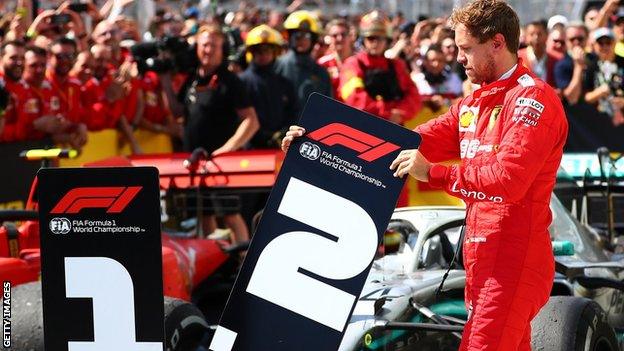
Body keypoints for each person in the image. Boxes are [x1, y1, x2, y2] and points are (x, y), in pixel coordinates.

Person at [284, 1, 568, 350]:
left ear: (497, 43)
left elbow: (508, 180)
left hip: (515, 261)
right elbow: (400, 144)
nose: (459, 58)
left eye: (466, 49)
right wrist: (318, 142)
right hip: (482, 258)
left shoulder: (532, 98)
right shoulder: (473, 104)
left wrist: (433, 173)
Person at [178, 24, 259, 245]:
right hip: (195, 162)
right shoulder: (192, 79)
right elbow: (177, 112)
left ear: (222, 49)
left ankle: (243, 262)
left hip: (220, 163)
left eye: (214, 46)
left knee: (230, 214)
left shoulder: (230, 81)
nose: (208, 50)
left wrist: (229, 148)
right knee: (205, 214)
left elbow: (251, 120)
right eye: (204, 45)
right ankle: (215, 263)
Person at [339, 10, 421, 125]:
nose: (375, 43)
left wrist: (400, 113)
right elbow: (354, 98)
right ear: (363, 40)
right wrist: (387, 114)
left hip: (394, 127)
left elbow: (414, 96)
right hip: (361, 127)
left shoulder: (397, 65)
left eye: (380, 38)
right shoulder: (353, 64)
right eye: (371, 38)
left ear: (387, 40)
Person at [239, 24, 297, 149]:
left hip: (280, 147)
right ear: (252, 53)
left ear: (274, 52)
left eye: (267, 50)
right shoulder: (241, 82)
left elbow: (293, 113)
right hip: (250, 148)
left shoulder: (284, 83)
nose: (263, 54)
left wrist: (283, 132)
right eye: (258, 50)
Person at [274, 10, 332, 112]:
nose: (301, 40)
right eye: (297, 35)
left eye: (307, 36)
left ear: (313, 39)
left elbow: (328, 110)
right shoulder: (276, 67)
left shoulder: (321, 73)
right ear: (290, 37)